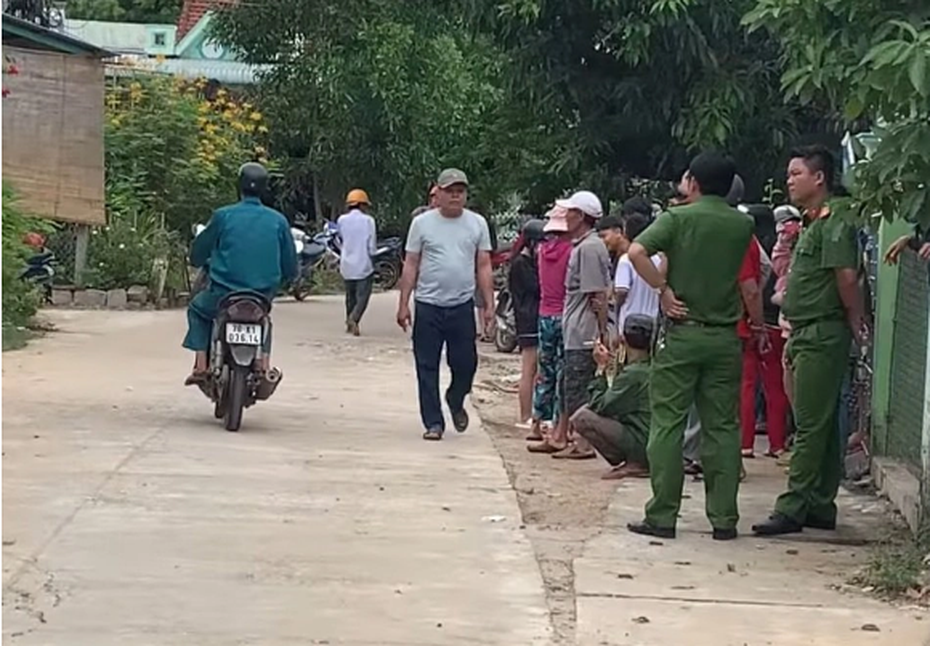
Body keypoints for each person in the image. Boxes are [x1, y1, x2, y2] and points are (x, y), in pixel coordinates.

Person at [625, 153, 761, 541]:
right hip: (723, 336)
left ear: (693, 182)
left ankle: (663, 515)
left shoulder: (677, 218)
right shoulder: (742, 224)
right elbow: (747, 281)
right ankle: (724, 519)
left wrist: (663, 291)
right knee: (722, 427)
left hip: (682, 334)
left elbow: (636, 252)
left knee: (668, 422)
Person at [752, 145, 866, 536]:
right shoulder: (814, 222)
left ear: (819, 178)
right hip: (807, 330)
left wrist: (855, 320)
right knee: (822, 422)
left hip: (822, 331)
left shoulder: (834, 223)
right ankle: (819, 502)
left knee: (811, 423)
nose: (790, 180)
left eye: (796, 173)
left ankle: (794, 504)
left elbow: (846, 277)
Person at [397, 168, 494, 441]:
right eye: (449, 191)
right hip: (428, 304)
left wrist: (489, 304)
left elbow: (484, 265)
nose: (455, 196)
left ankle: (455, 397)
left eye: (460, 191)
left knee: (466, 363)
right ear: (437, 193)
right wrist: (403, 303)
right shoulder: (422, 224)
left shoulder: (477, 223)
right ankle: (433, 422)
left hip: (461, 305)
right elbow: (411, 263)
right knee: (426, 365)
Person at [183, 162, 297, 384]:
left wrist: (196, 259)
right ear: (264, 189)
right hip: (261, 296)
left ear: (239, 186)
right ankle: (263, 364)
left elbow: (200, 249)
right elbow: (290, 264)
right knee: (263, 319)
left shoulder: (223, 216)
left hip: (223, 294)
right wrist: (286, 280)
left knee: (197, 310)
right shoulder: (278, 221)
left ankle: (201, 365)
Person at [554, 190, 611, 460]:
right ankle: (574, 438)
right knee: (570, 384)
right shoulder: (585, 246)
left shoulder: (588, 249)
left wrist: (601, 332)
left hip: (583, 332)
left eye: (570, 212)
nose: (565, 217)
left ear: (581, 216)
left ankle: (583, 442)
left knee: (578, 387)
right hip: (577, 330)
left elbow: (596, 295)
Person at [572, 314, 655, 480]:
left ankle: (636, 462)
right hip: (654, 437)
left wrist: (601, 369)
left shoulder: (633, 374)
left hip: (641, 440)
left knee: (582, 417)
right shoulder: (653, 366)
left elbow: (601, 405)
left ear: (623, 339)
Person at [737, 232, 788, 459]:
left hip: (749, 324)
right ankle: (777, 444)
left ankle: (745, 444)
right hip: (776, 325)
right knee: (775, 386)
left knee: (746, 385)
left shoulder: (746, 243)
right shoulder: (787, 253)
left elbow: (750, 286)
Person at [527, 206, 573, 446]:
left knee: (545, 372)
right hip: (565, 315)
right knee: (563, 372)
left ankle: (536, 423)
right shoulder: (572, 251)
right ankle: (558, 426)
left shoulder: (542, 250)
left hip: (544, 314)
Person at [510, 219, 545, 426]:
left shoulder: (525, 262)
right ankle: (525, 416)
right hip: (528, 320)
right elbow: (537, 288)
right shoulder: (521, 265)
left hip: (531, 318)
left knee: (536, 370)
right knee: (529, 369)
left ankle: (532, 413)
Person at [337, 189, 377, 336]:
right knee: (363, 296)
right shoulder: (368, 221)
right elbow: (371, 246)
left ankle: (349, 321)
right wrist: (374, 258)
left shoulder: (341, 220)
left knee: (350, 295)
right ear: (362, 205)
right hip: (363, 264)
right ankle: (354, 318)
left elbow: (340, 239)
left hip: (346, 263)